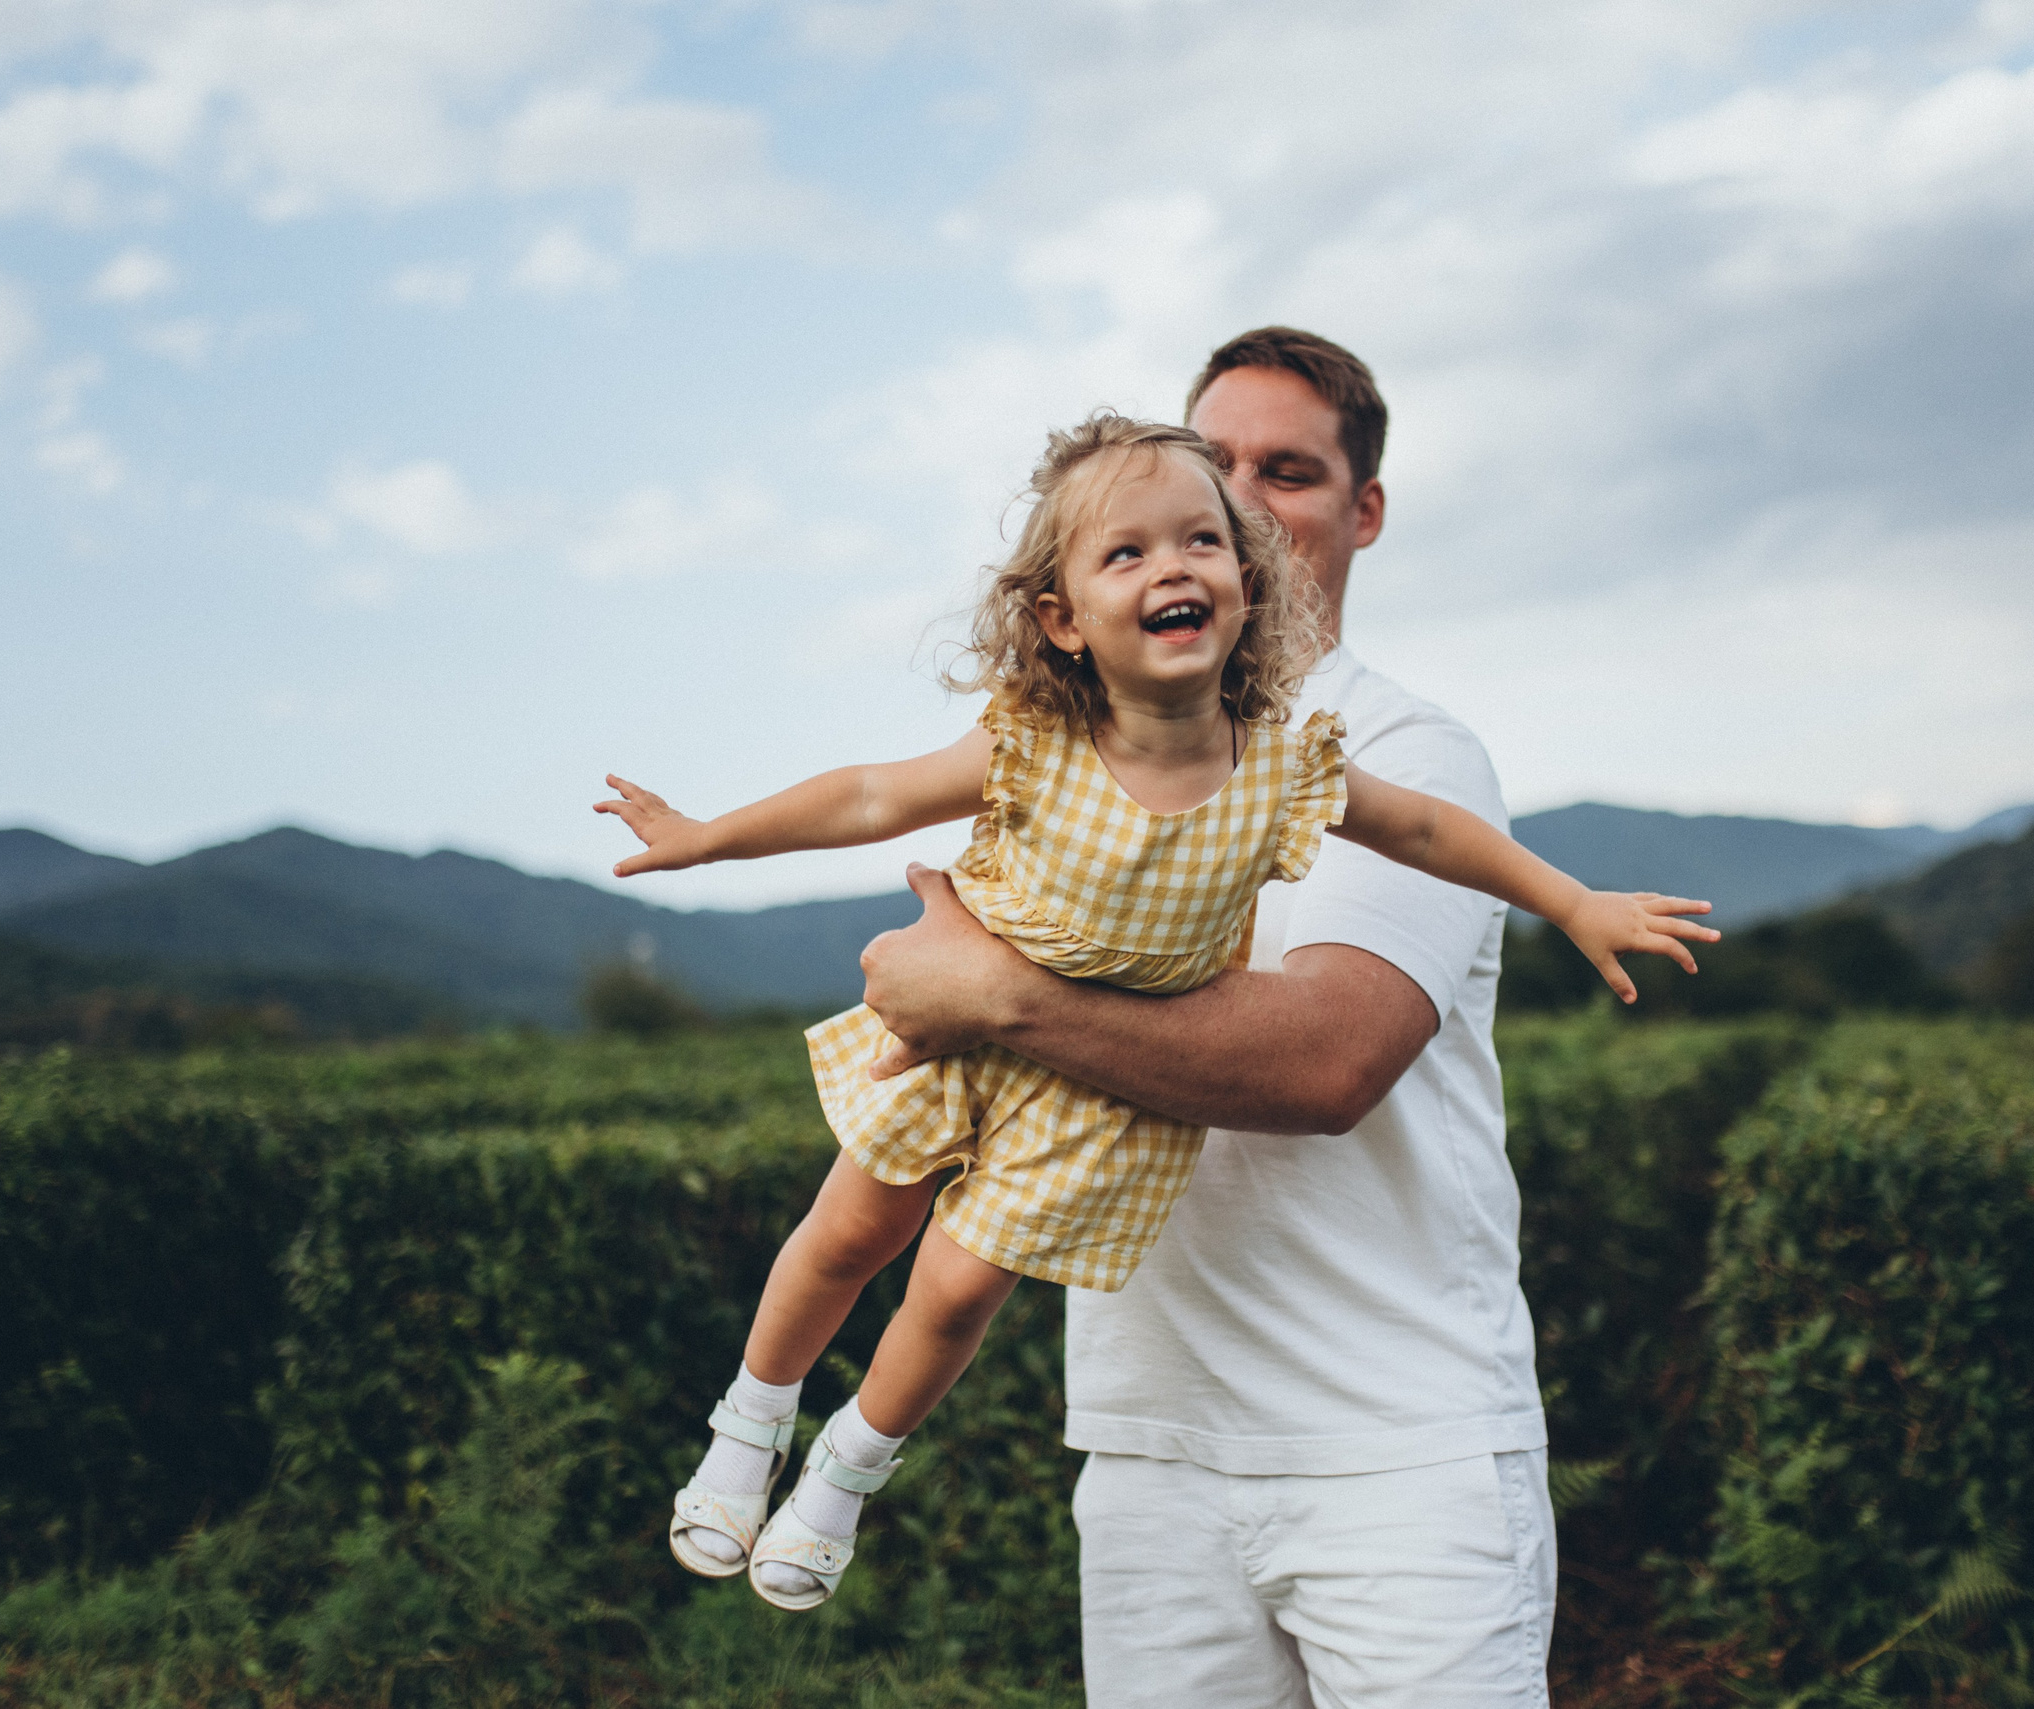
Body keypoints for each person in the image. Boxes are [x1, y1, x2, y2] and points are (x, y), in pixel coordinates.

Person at [598, 407, 1715, 1617]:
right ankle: (749, 1421)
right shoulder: (1036, 740)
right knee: (848, 1231)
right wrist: (707, 837)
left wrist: (1572, 900)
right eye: (1125, 552)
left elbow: (1432, 831)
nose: (1170, 566)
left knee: (957, 1293)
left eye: (1199, 541)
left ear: (1245, 584)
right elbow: (871, 795)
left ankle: (844, 1471)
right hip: (956, 1044)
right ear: (1062, 619)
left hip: (1094, 1089)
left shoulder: (1282, 764)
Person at [854, 329, 1603, 1706]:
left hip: (1396, 1451)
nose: (1245, 501)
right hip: (1151, 1443)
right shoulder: (1069, 752)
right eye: (1218, 465)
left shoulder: (1407, 755)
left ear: (1365, 511)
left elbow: (1325, 1059)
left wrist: (996, 991)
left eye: (1291, 473)